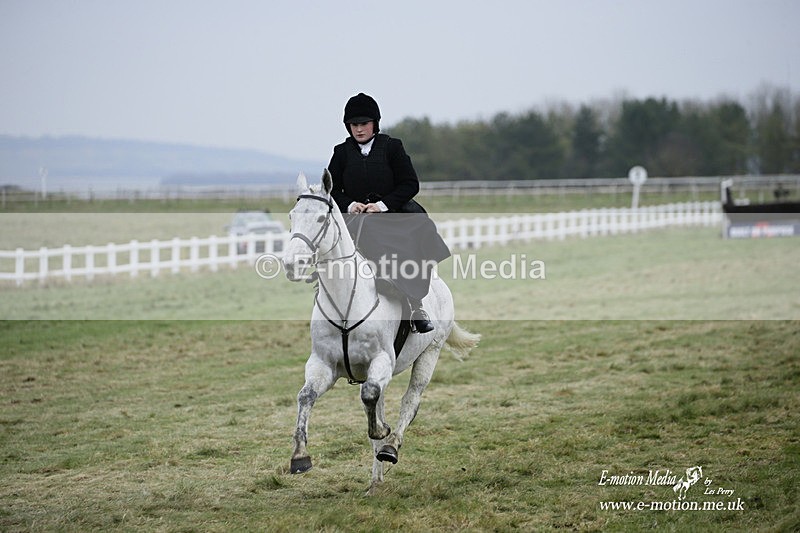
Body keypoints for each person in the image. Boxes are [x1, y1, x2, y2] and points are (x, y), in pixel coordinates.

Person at [327, 92, 450, 334]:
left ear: (375, 123)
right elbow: (331, 189)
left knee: (417, 232)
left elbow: (410, 184)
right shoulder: (341, 152)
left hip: (392, 213)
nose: (359, 129)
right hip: (355, 217)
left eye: (364, 124)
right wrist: (351, 204)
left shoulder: (392, 147)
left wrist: (382, 205)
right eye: (354, 125)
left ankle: (416, 307)